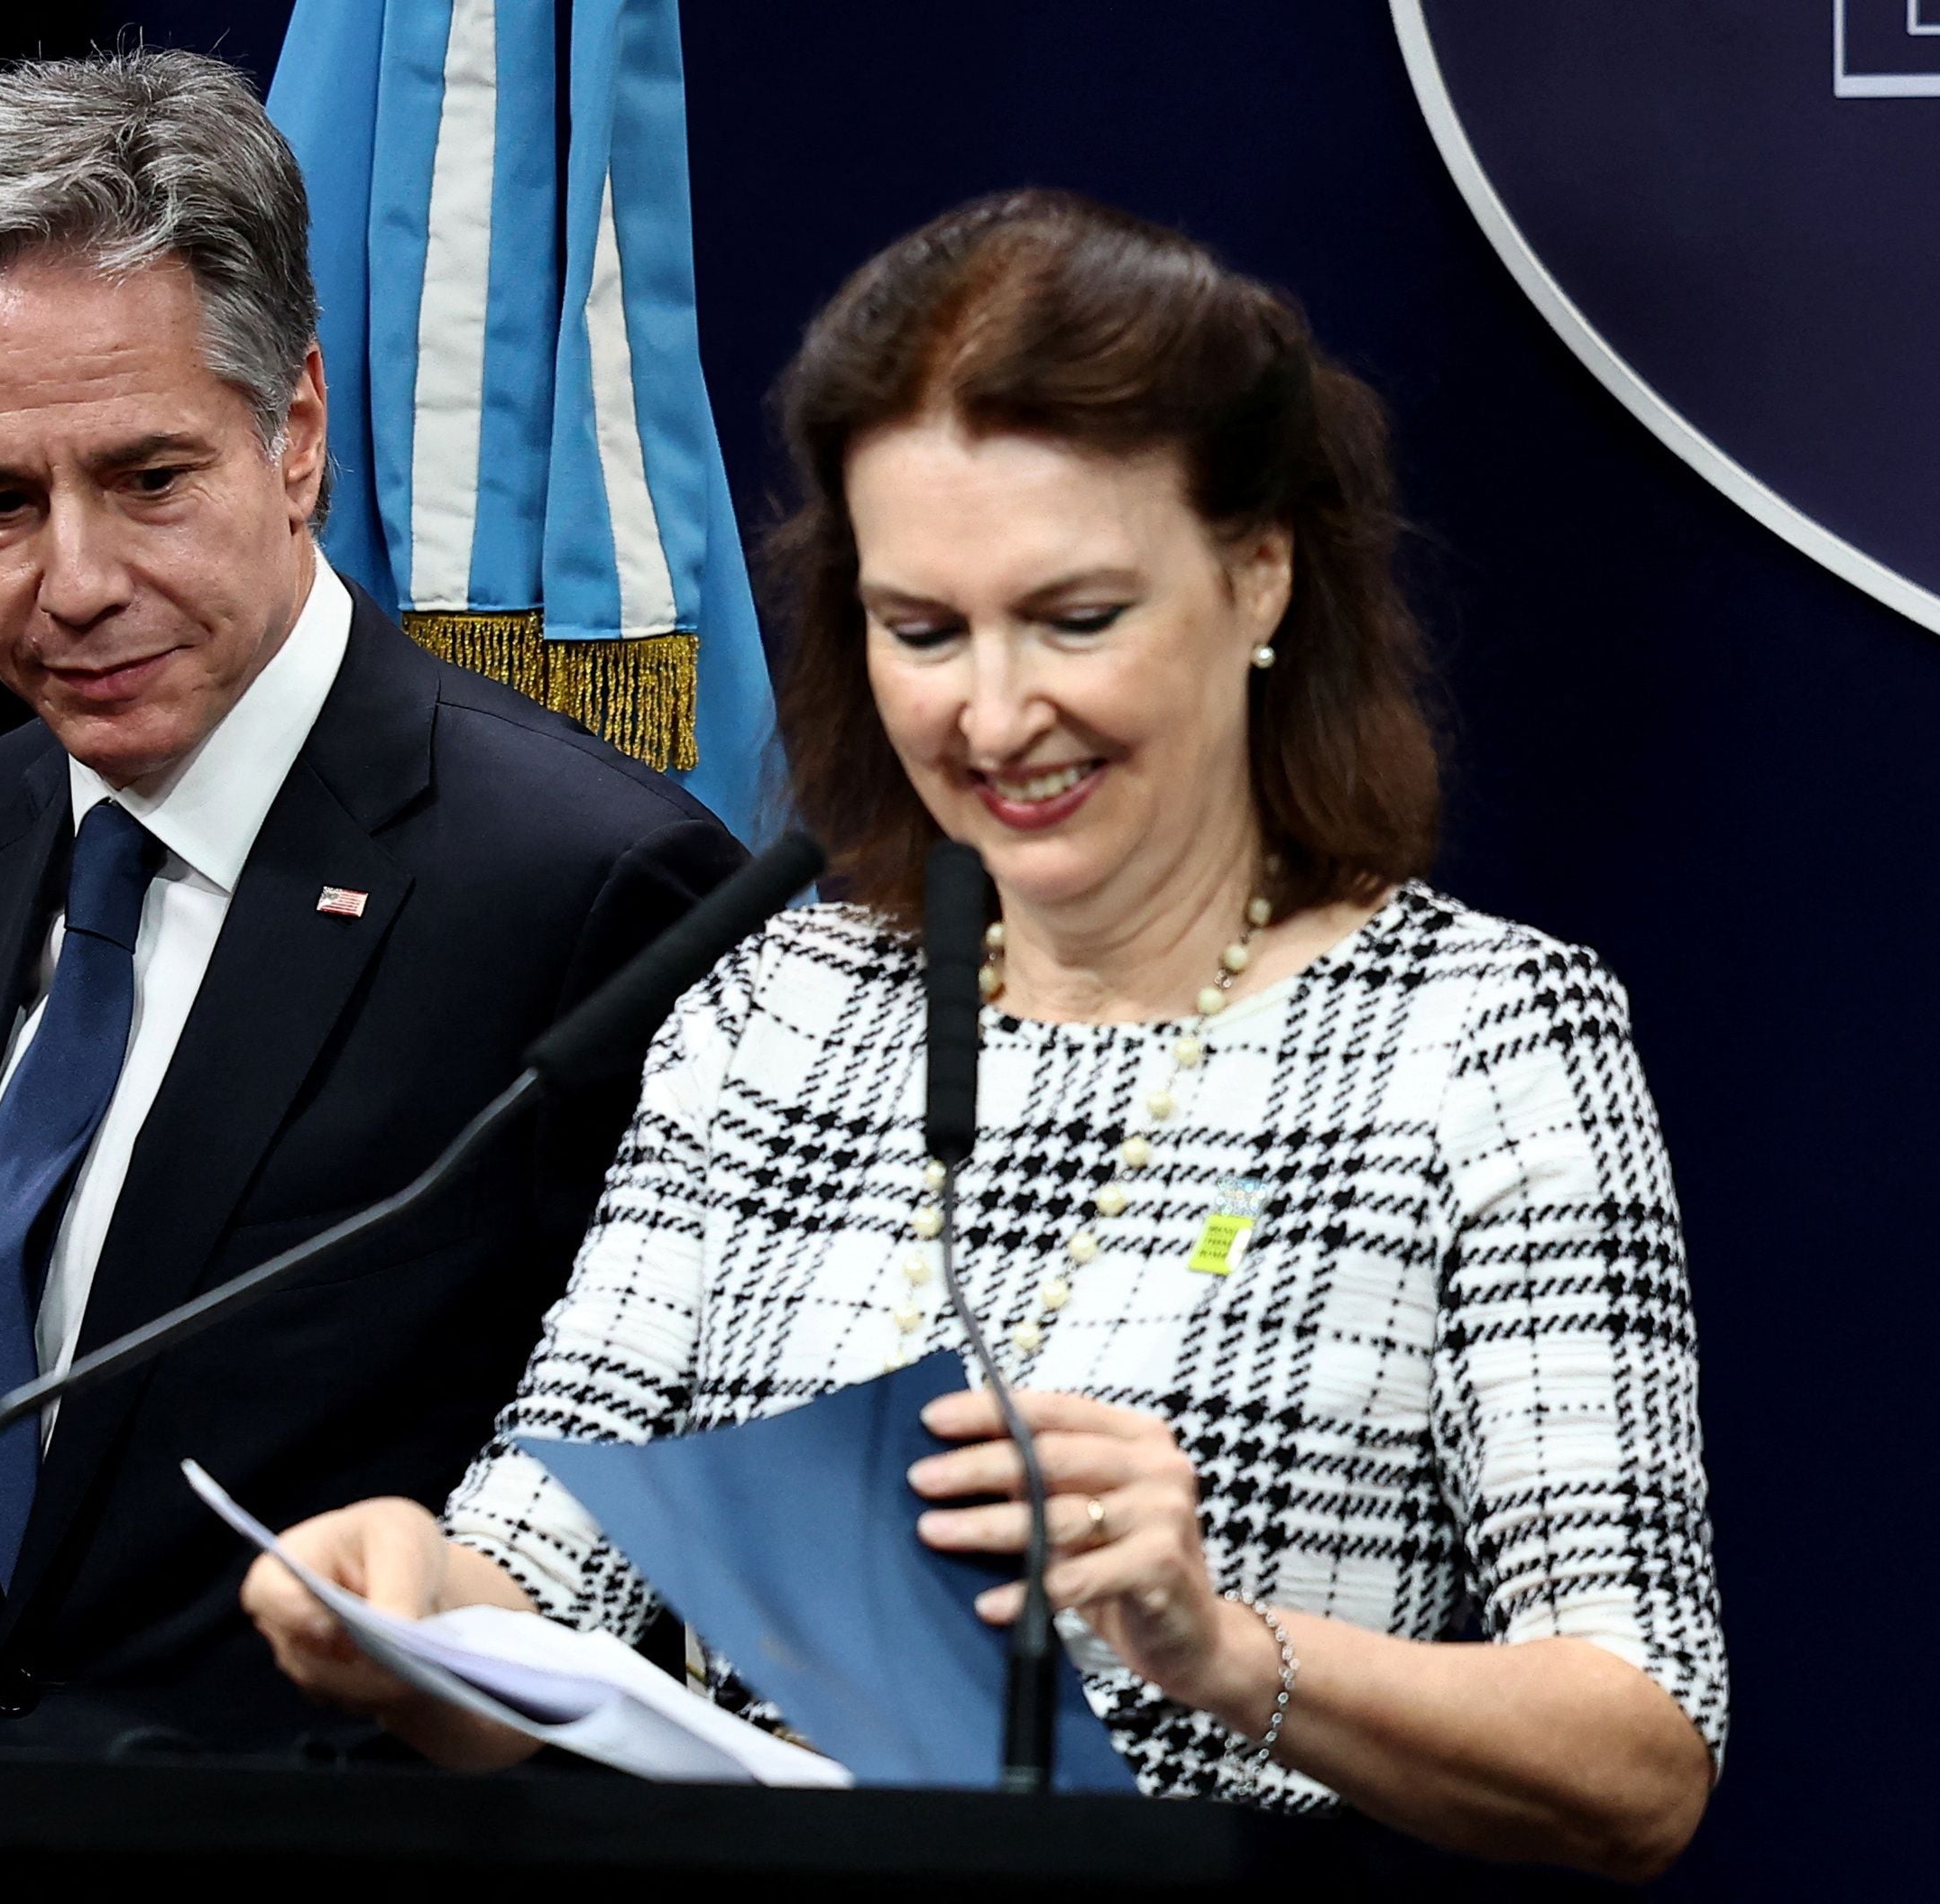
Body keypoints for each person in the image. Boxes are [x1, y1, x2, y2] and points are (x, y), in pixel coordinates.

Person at [241, 192, 1726, 1880]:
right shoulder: (773, 1013)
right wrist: (402, 1599)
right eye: (921, 632)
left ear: (1259, 576)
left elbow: (1638, 1751)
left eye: (1074, 620)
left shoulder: (1477, 1040)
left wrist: (1223, 1650)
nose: (993, 715)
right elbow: (536, 1600)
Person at [0, 50, 744, 1752]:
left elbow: (629, 1590)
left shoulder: (586, 888)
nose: (76, 581)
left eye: (148, 478)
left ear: (297, 436)